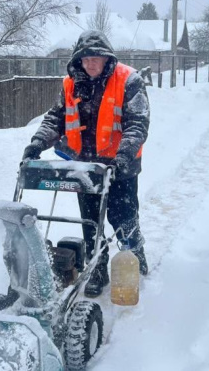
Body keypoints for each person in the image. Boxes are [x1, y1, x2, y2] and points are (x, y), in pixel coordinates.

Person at [22, 30, 150, 298]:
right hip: (87, 168)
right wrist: (37, 143)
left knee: (123, 219)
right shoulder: (71, 84)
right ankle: (97, 269)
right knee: (90, 222)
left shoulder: (129, 80)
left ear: (106, 58)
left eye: (96, 58)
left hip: (120, 167)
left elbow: (137, 124)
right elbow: (55, 118)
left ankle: (135, 254)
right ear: (78, 60)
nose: (90, 64)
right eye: (85, 59)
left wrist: (123, 156)